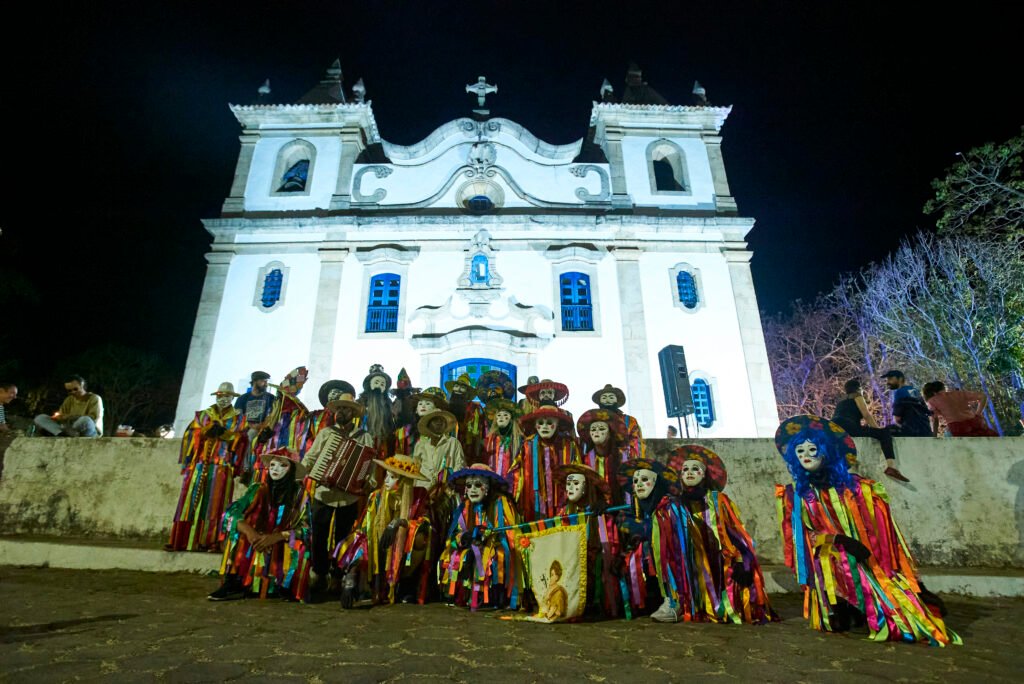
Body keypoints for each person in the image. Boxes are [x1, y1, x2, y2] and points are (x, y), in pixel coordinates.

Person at [774, 414, 959, 646]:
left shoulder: (858, 488)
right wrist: (838, 539)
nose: (806, 456)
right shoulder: (796, 495)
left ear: (826, 451)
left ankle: (888, 602)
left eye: (812, 450)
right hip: (829, 557)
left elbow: (883, 530)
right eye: (800, 452)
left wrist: (909, 577)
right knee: (831, 557)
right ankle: (840, 605)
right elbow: (800, 536)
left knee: (900, 611)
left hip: (869, 558)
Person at [667, 445, 778, 624]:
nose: (689, 473)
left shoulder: (719, 501)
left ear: (704, 475)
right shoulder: (675, 506)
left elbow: (736, 532)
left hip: (719, 557)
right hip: (691, 561)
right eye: (685, 469)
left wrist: (742, 558)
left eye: (695, 469)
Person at [209, 447, 312, 601]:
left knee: (299, 543)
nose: (276, 469)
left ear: (291, 470)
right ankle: (235, 582)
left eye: (283, 465)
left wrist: (277, 536)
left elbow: (306, 529)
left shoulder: (301, 495)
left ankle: (285, 585)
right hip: (255, 541)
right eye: (272, 465)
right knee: (238, 527)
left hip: (281, 542)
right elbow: (231, 513)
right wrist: (251, 533)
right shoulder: (258, 489)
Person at [302, 391, 375, 600]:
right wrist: (310, 473)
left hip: (349, 496)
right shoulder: (326, 433)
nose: (341, 412)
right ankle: (319, 578)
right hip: (324, 493)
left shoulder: (364, 437)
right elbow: (311, 458)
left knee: (342, 539)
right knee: (319, 537)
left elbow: (367, 467)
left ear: (353, 413)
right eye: (339, 409)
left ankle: (337, 578)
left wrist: (365, 483)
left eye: (346, 409)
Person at [167, 381, 249, 552]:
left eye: (227, 396)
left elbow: (241, 440)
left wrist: (225, 434)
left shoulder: (239, 419)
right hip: (199, 464)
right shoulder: (204, 415)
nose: (223, 399)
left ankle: (211, 541)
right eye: (220, 396)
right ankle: (181, 540)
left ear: (232, 398)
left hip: (222, 466)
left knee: (216, 504)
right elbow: (191, 434)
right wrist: (205, 431)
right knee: (189, 501)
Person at [832, 378, 909, 482]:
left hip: (834, 428)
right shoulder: (857, 396)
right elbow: (866, 415)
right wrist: (878, 431)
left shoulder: (840, 402)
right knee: (885, 432)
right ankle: (891, 467)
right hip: (849, 426)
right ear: (858, 389)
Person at [34, 374, 104, 437]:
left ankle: (67, 433)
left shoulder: (94, 398)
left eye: (75, 389)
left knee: (85, 420)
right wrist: (58, 417)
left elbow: (93, 418)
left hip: (87, 429)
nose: (73, 392)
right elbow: (62, 416)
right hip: (68, 428)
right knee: (40, 418)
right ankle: (61, 434)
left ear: (82, 385)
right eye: (69, 391)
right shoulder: (69, 399)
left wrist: (70, 417)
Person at [923, 381, 999, 437]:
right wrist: (978, 413)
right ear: (943, 388)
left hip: (958, 428)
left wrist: (934, 435)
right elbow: (983, 396)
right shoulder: (958, 393)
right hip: (975, 422)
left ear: (933, 392)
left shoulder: (932, 401)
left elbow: (935, 420)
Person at [882, 370, 932, 437]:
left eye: (890, 379)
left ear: (900, 379)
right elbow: (925, 410)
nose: (887, 382)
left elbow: (897, 419)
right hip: (926, 430)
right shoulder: (915, 390)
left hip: (911, 432)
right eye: (887, 380)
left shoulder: (899, 392)